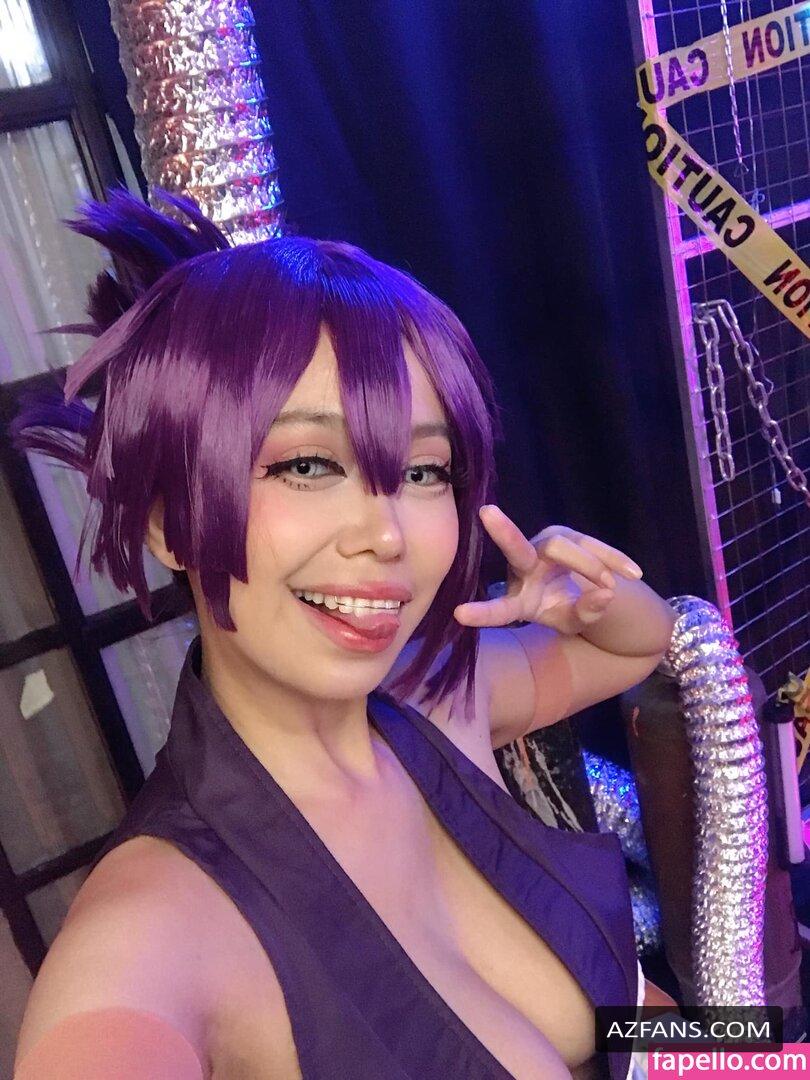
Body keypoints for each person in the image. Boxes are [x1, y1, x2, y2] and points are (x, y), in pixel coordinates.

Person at [11, 188, 676, 1079]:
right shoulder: (158, 927)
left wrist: (761, 1057)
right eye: (308, 463)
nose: (387, 534)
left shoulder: (435, 697)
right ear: (170, 522)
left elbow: (631, 646)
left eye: (423, 471)